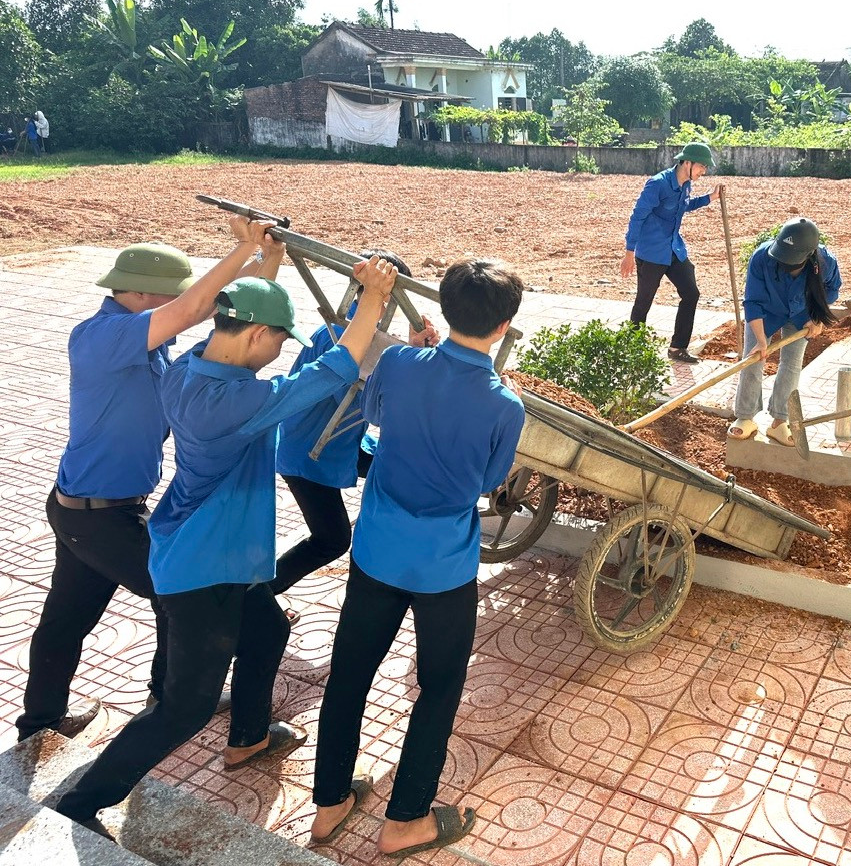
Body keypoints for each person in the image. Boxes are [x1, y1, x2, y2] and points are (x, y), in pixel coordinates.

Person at [55, 256, 398, 838]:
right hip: (203, 569)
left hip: (206, 549)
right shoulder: (234, 405)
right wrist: (373, 299)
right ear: (259, 335)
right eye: (277, 342)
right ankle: (83, 803)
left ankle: (248, 737)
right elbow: (333, 371)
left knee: (268, 630)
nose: (278, 354)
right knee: (184, 709)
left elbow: (253, 337)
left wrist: (267, 263)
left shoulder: (187, 369)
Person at [15, 219, 277, 745]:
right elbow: (191, 309)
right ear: (134, 292)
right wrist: (242, 246)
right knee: (176, 591)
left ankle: (40, 722)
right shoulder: (100, 337)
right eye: (167, 298)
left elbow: (227, 323)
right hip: (98, 515)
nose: (183, 307)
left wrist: (265, 262)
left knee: (67, 618)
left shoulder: (152, 346)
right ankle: (168, 696)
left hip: (92, 509)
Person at [308, 259, 525, 859]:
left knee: (350, 673)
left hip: (377, 550)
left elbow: (374, 417)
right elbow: (487, 482)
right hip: (444, 568)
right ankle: (406, 819)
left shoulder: (400, 363)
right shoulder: (505, 405)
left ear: (447, 310)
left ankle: (329, 806)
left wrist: (412, 353)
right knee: (438, 685)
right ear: (504, 326)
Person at [272, 249, 439, 606]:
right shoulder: (337, 336)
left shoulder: (360, 332)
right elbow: (374, 404)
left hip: (340, 443)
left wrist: (410, 352)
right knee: (331, 540)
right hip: (309, 454)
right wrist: (414, 356)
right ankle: (257, 597)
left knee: (393, 466)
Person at [728, 217, 841, 446]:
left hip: (801, 313)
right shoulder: (762, 257)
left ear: (809, 256)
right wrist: (760, 341)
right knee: (752, 360)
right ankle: (746, 417)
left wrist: (815, 318)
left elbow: (832, 289)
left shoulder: (825, 261)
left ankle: (780, 421)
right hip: (767, 311)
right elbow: (752, 301)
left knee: (791, 364)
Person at [621, 142, 722, 363]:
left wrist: (710, 198)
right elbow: (637, 216)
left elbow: (683, 206)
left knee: (691, 293)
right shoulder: (658, 184)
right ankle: (632, 350)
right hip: (651, 252)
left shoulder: (686, 184)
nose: (703, 171)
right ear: (687, 162)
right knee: (644, 301)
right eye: (701, 166)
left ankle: (677, 347)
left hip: (674, 249)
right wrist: (629, 252)